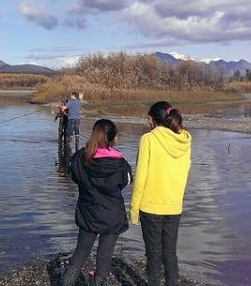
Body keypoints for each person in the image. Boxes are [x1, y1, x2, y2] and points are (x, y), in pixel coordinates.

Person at [62, 119, 133, 286]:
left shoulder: (80, 157)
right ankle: (99, 281)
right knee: (105, 255)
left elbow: (73, 176)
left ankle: (67, 282)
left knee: (81, 252)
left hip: (89, 213)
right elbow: (126, 182)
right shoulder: (121, 164)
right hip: (112, 215)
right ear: (114, 138)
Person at [129, 101, 192, 286]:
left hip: (150, 206)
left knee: (153, 254)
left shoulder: (148, 139)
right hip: (174, 206)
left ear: (151, 119)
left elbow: (140, 177)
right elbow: (185, 171)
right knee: (170, 253)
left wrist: (133, 210)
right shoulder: (185, 140)